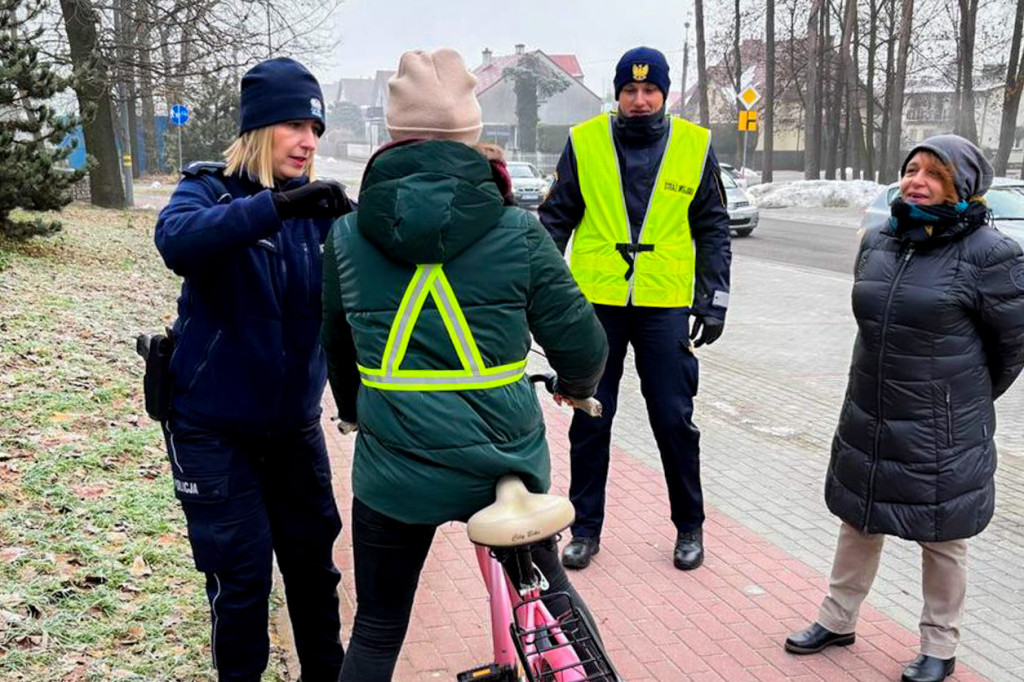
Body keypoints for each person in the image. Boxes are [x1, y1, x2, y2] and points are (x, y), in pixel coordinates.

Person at [320, 48, 610, 682]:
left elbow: (337, 346)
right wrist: (575, 387)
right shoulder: (517, 230)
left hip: (395, 469)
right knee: (553, 600)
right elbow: (583, 341)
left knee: (377, 628)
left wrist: (353, 412)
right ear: (472, 132)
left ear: (391, 133)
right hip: (503, 461)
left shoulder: (346, 236)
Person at [784, 135, 1024, 682]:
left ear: (962, 187)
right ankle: (837, 619)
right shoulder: (880, 240)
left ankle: (940, 644)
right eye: (912, 169)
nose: (916, 181)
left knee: (942, 535)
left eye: (934, 174)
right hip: (870, 409)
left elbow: (1012, 347)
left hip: (941, 424)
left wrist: (959, 401)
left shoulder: (992, 253)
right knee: (859, 517)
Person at [154, 57, 354, 682]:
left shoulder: (322, 212)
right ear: (259, 128)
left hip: (294, 429)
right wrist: (277, 207)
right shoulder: (208, 189)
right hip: (214, 429)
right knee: (240, 585)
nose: (308, 141)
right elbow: (176, 241)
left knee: (315, 576)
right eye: (295, 125)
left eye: (316, 128)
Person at [538, 46, 731, 571]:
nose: (639, 100)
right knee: (589, 418)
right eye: (630, 90)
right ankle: (585, 528)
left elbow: (713, 226)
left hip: (664, 305)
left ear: (663, 94)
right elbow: (554, 220)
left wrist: (713, 298)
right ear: (617, 94)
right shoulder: (585, 141)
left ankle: (689, 526)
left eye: (649, 90)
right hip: (596, 305)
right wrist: (542, 293)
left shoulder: (694, 145)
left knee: (673, 419)